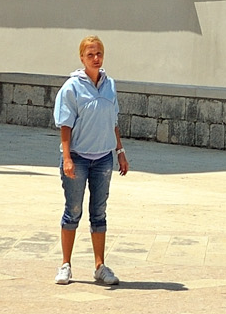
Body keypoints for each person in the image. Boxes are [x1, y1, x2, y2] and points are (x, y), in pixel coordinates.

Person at [53, 33, 129, 286]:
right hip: (78, 158)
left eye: (99, 54)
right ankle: (65, 265)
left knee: (99, 213)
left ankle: (100, 266)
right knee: (73, 211)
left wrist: (120, 151)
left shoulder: (110, 85)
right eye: (90, 55)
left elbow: (113, 121)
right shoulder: (72, 88)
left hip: (103, 159)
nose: (95, 58)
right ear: (82, 58)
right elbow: (65, 125)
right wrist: (67, 158)